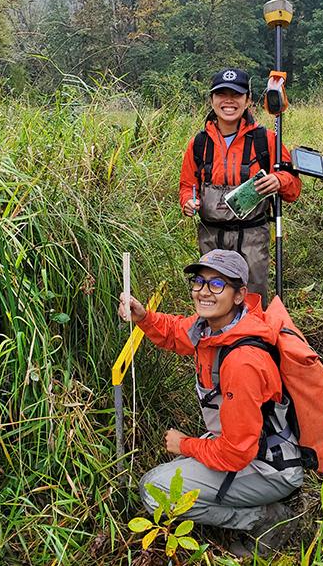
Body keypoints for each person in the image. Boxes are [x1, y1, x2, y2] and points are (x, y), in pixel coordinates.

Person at [118, 249, 303, 557]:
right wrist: (143, 316)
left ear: (240, 294)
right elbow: (177, 333)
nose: (204, 291)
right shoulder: (215, 328)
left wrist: (185, 444)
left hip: (268, 467)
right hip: (247, 449)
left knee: (155, 490)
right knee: (172, 475)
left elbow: (235, 453)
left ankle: (266, 520)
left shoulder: (242, 361)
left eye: (217, 285)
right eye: (199, 282)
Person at [180, 68, 301, 305]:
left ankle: (253, 340)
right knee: (212, 297)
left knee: (251, 299)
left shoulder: (265, 140)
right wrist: (188, 201)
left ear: (247, 100)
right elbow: (187, 186)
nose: (228, 101)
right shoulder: (198, 144)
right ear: (211, 100)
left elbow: (293, 187)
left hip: (253, 238)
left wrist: (279, 180)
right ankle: (217, 341)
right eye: (221, 94)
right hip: (211, 238)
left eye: (236, 95)